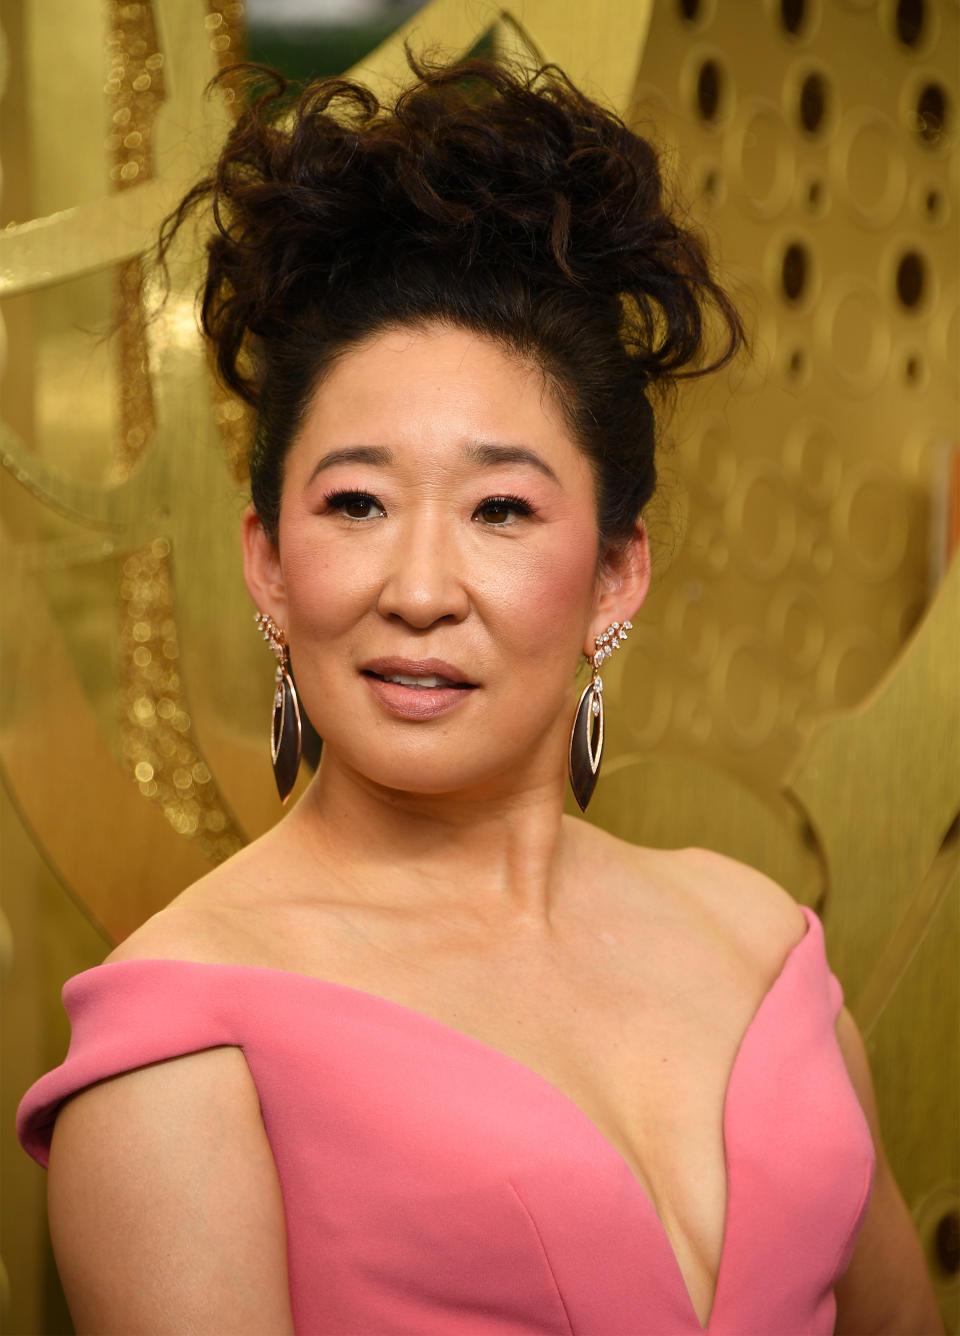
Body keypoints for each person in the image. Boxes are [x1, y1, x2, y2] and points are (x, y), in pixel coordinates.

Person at [17, 56, 943, 1336]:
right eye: (355, 503)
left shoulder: (761, 946)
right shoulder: (185, 1049)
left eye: (502, 508)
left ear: (616, 573)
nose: (419, 586)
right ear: (270, 567)